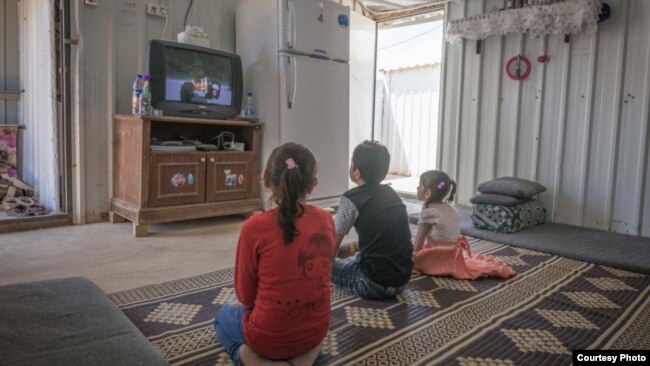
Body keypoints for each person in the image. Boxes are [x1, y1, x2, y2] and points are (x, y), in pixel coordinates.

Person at [214, 142, 336, 366]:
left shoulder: (253, 228)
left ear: (265, 180)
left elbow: (245, 296)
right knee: (310, 332)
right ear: (313, 184)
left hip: (268, 337)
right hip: (315, 330)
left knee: (222, 317)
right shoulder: (327, 220)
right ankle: (303, 360)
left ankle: (255, 361)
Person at [331, 140, 413, 300]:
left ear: (356, 172)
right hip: (402, 281)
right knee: (349, 254)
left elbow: (332, 245)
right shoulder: (391, 193)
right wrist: (351, 249)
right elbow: (385, 237)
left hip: (371, 284)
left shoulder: (351, 198)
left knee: (322, 264)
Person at [412, 170, 515, 279]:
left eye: (419, 186)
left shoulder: (428, 213)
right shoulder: (449, 208)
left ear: (427, 193)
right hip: (454, 254)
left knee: (405, 253)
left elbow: (417, 248)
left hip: (440, 256)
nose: (417, 188)